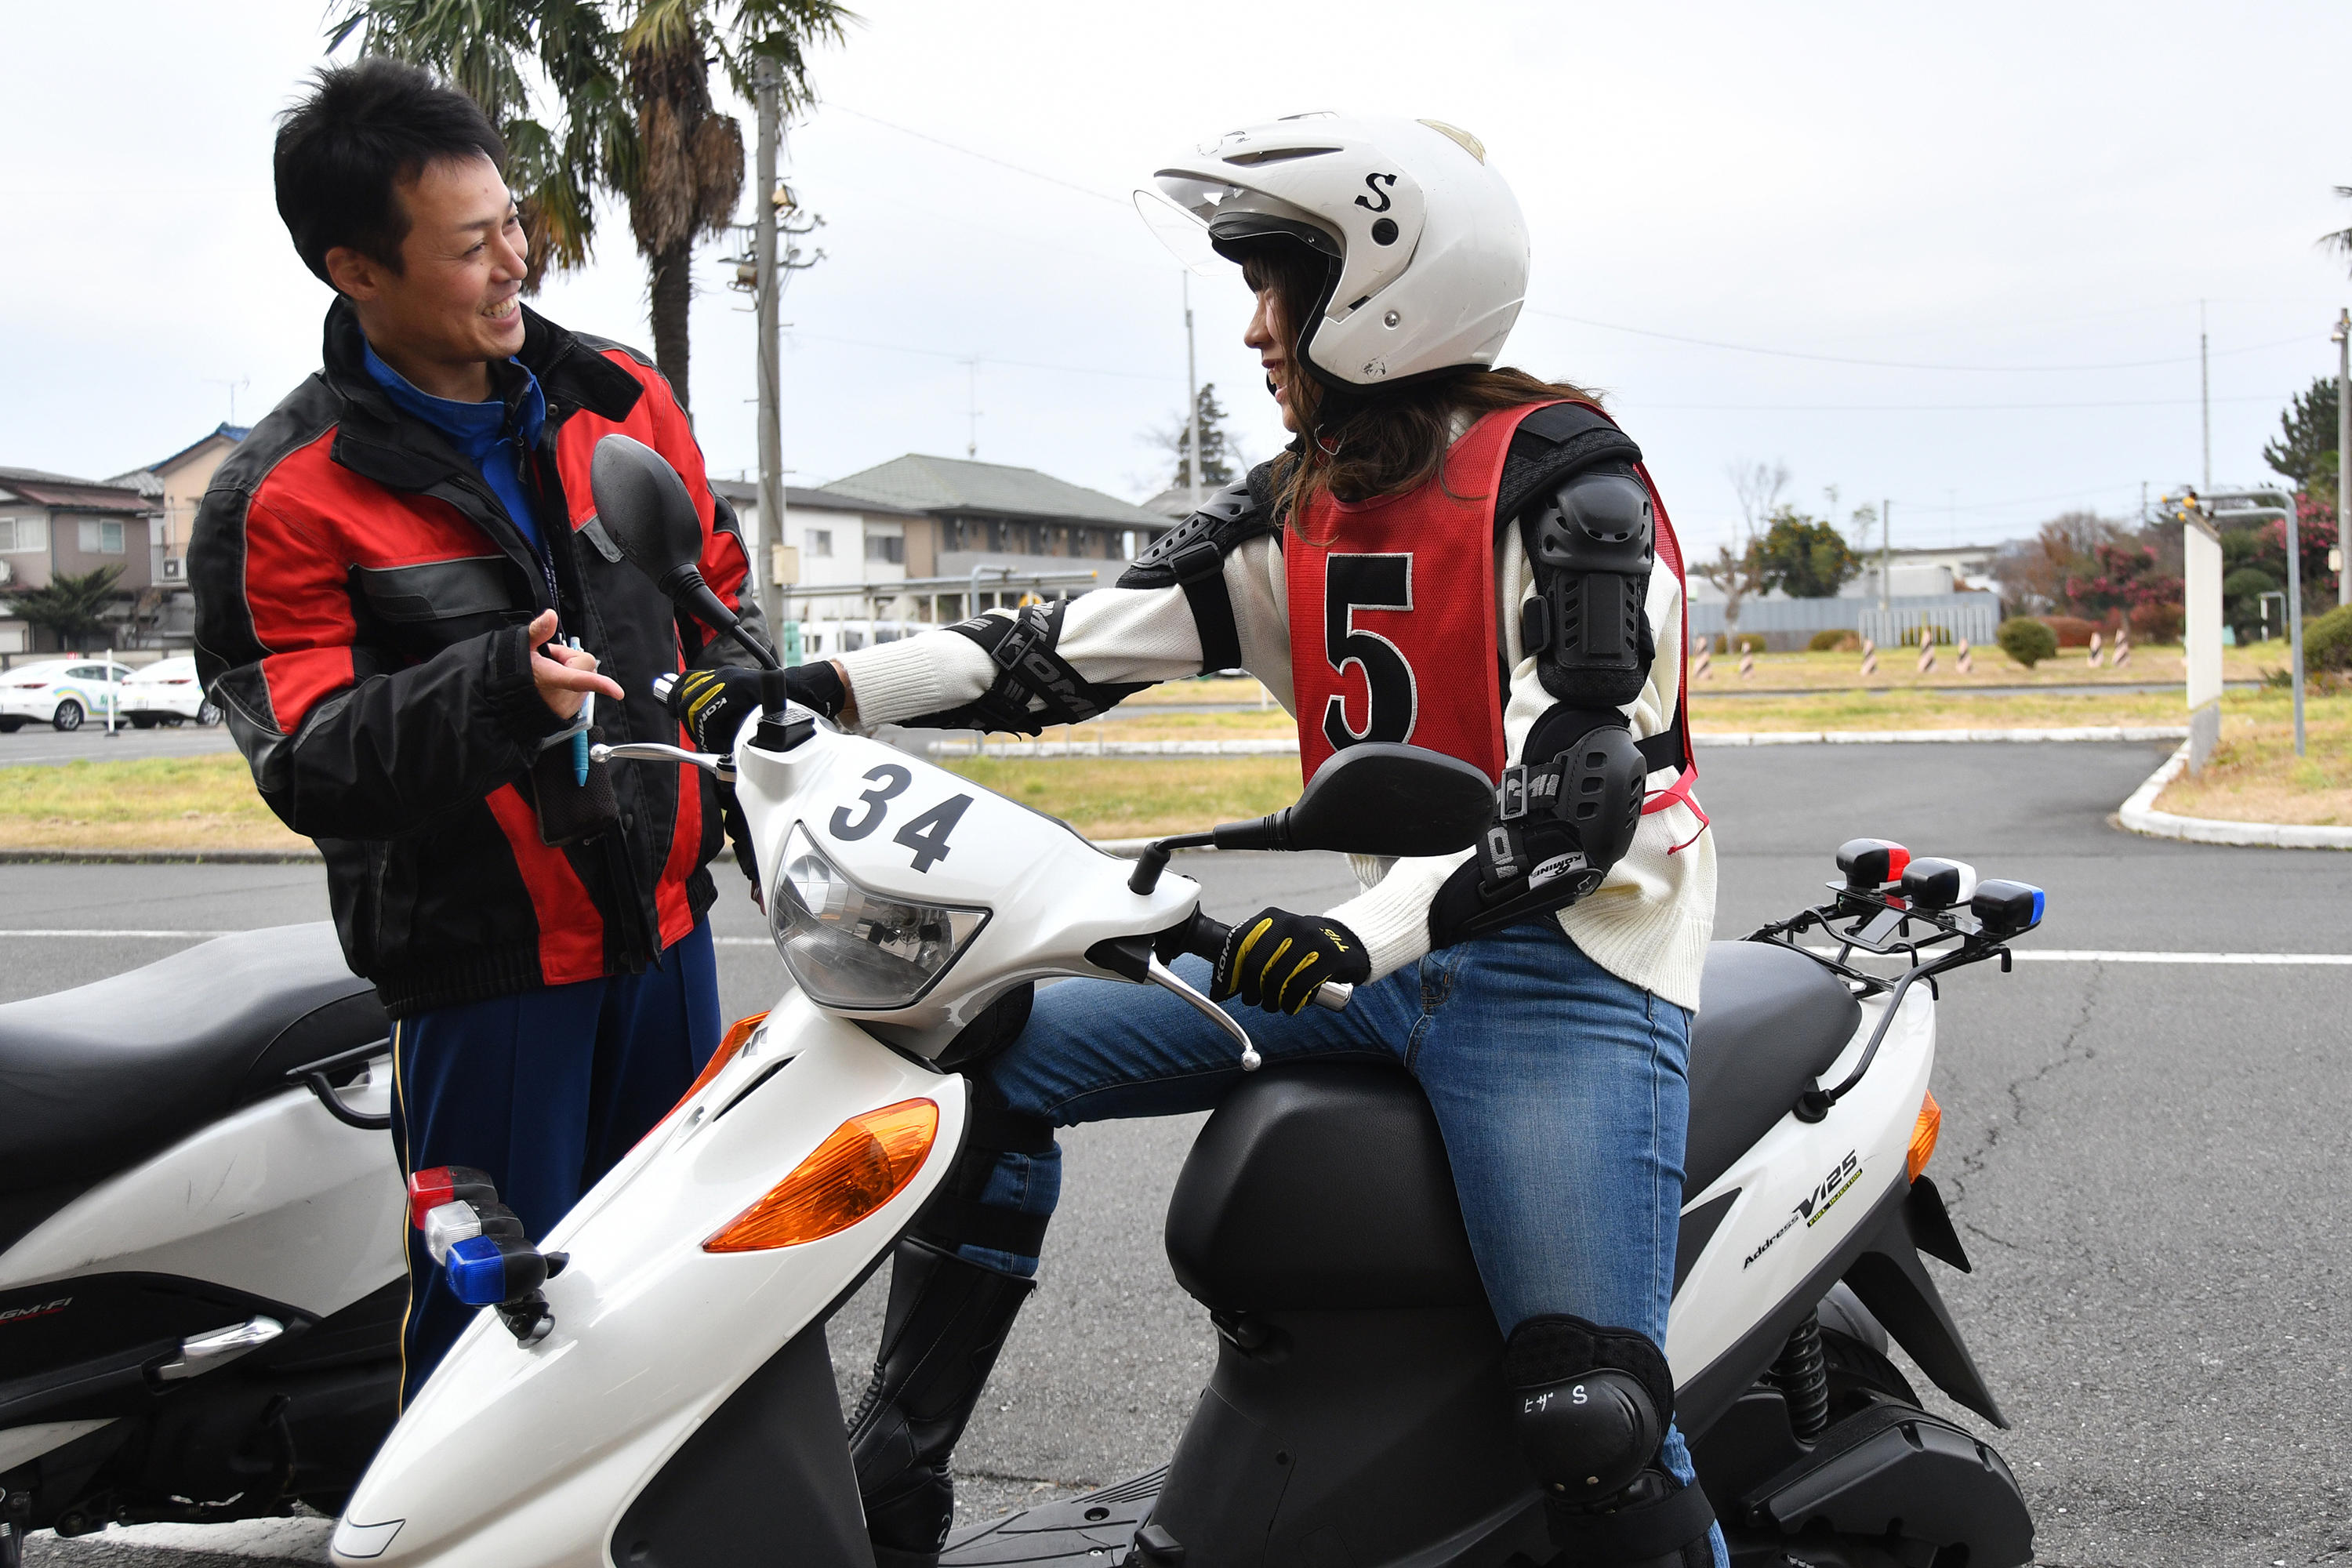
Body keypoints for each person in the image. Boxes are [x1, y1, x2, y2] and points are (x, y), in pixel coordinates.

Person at [679, 117, 1721, 1568]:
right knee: (975, 1064)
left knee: (1591, 1419)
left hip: (1565, 973)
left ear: (1380, 286)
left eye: (1275, 283)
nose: (1253, 329)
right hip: (1386, 957)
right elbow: (1052, 656)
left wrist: (1358, 936)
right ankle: (894, 1485)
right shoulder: (1301, 505)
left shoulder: (1568, 495)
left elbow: (1578, 801)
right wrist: (824, 689)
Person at [190, 58, 791, 1405]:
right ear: (357, 271)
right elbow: (309, 761)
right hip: (487, 982)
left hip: (670, 945)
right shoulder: (279, 496)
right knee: (497, 1349)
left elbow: (721, 612)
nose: (515, 259)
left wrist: (773, 787)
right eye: (471, 247)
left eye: (512, 221)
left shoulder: (623, 395)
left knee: (696, 1300)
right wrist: (498, 690)